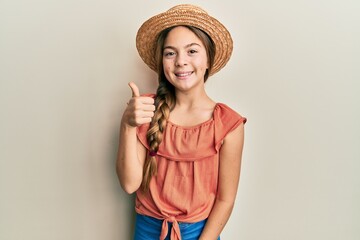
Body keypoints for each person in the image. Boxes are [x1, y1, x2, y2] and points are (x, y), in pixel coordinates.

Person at [116, 4, 247, 240]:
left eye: (192, 51)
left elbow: (225, 199)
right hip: (147, 231)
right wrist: (127, 125)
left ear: (209, 60)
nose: (180, 61)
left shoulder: (228, 124)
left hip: (200, 234)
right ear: (162, 62)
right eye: (170, 53)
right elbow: (129, 184)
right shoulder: (146, 108)